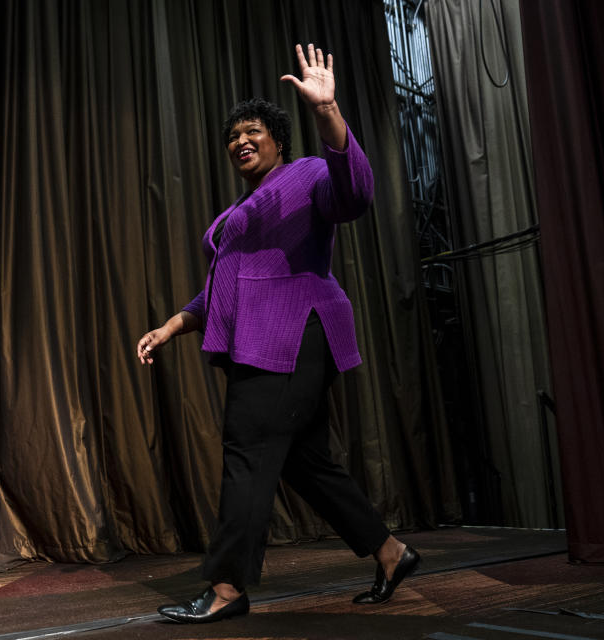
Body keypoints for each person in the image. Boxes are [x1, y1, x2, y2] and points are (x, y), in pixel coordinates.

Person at [136, 43, 420, 624]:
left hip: (289, 336)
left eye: (253, 131)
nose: (240, 140)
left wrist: (328, 112)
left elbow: (355, 194)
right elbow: (225, 287)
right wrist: (172, 325)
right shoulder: (240, 213)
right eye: (233, 135)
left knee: (246, 453)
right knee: (304, 462)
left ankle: (227, 588)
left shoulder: (310, 174)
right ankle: (392, 553)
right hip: (261, 340)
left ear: (278, 137)